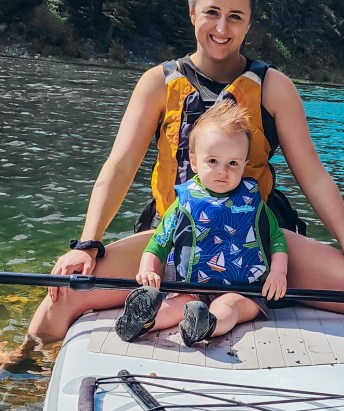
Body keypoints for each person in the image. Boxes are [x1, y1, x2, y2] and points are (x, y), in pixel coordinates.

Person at [0, 0, 344, 384]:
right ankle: (21, 363)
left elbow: (312, 172)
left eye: (236, 16)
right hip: (177, 231)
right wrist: (88, 242)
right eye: (212, 13)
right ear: (192, 13)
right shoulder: (157, 83)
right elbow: (120, 164)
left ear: (249, 24)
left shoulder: (274, 86)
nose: (222, 28)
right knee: (65, 292)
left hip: (256, 235)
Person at [114, 98, 289, 346]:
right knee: (176, 305)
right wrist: (149, 270)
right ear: (194, 162)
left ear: (244, 164)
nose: (223, 171)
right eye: (213, 161)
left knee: (230, 306)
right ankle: (143, 320)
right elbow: (159, 242)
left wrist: (278, 273)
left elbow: (276, 240)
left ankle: (207, 325)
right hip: (193, 287)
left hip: (245, 290)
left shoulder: (254, 203)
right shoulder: (184, 203)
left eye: (233, 163)